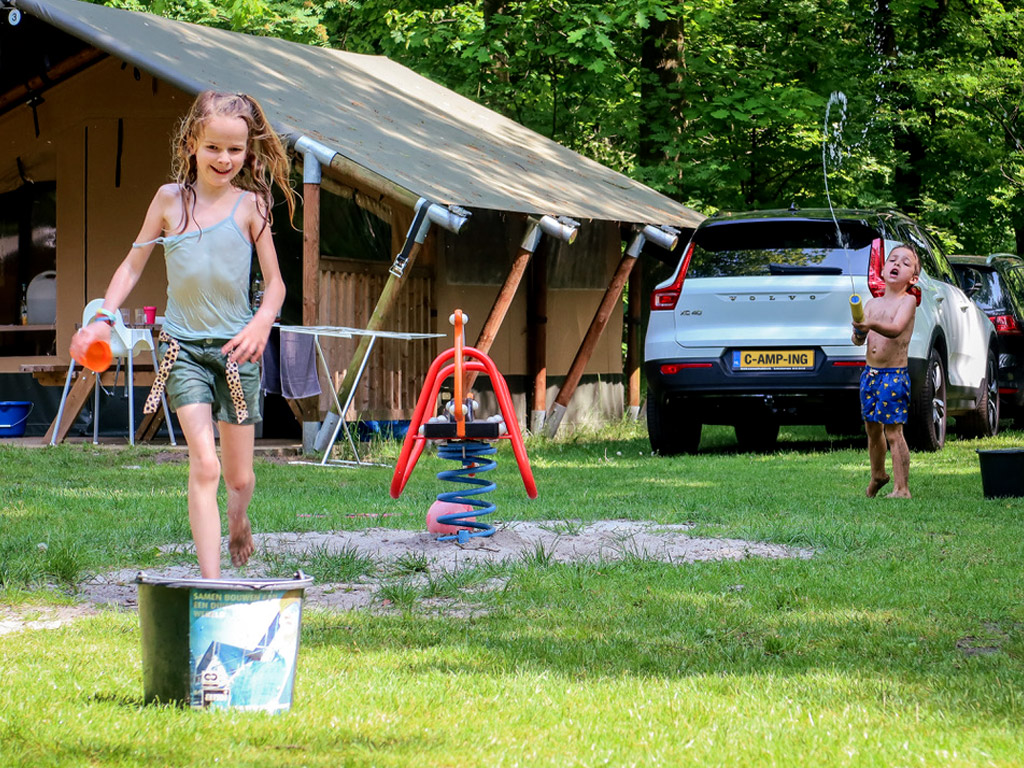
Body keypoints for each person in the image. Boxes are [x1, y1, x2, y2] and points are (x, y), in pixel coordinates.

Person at [70, 91, 297, 578]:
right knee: (206, 464)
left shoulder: (252, 205)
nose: (224, 159)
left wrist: (262, 321)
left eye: (236, 150)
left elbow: (275, 283)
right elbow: (132, 267)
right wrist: (102, 318)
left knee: (239, 477)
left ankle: (238, 516)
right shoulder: (170, 201)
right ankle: (211, 582)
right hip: (182, 349)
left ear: (248, 152)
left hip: (238, 352)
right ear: (192, 142)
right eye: (214, 147)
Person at [852, 243, 921, 499]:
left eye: (905, 263)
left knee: (893, 431)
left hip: (893, 376)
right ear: (882, 270)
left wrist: (869, 324)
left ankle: (902, 488)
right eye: (893, 260)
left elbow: (895, 329)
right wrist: (859, 333)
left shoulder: (908, 301)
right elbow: (860, 339)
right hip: (870, 375)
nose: (897, 264)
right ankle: (878, 474)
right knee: (872, 429)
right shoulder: (870, 304)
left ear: (913, 278)